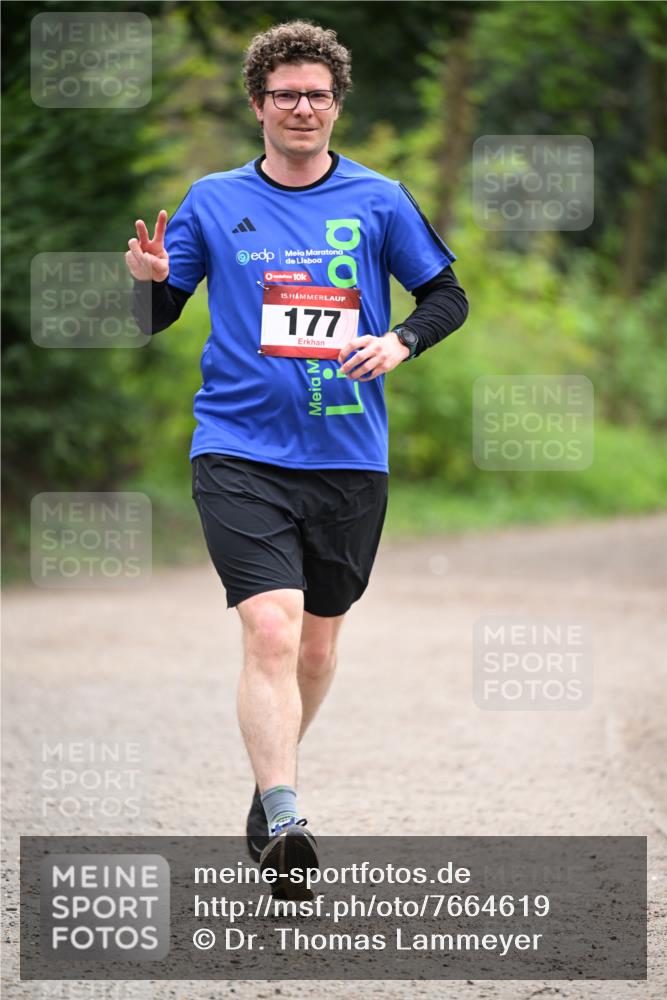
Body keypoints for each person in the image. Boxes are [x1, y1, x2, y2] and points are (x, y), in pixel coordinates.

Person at [127, 20, 468, 896]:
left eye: (317, 95)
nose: (302, 108)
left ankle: (263, 787)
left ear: (336, 104)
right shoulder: (212, 200)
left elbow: (445, 295)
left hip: (348, 455)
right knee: (271, 628)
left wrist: (399, 341)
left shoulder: (378, 199)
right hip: (237, 448)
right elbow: (153, 317)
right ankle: (286, 811)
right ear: (258, 105)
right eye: (285, 95)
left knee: (315, 648)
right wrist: (146, 283)